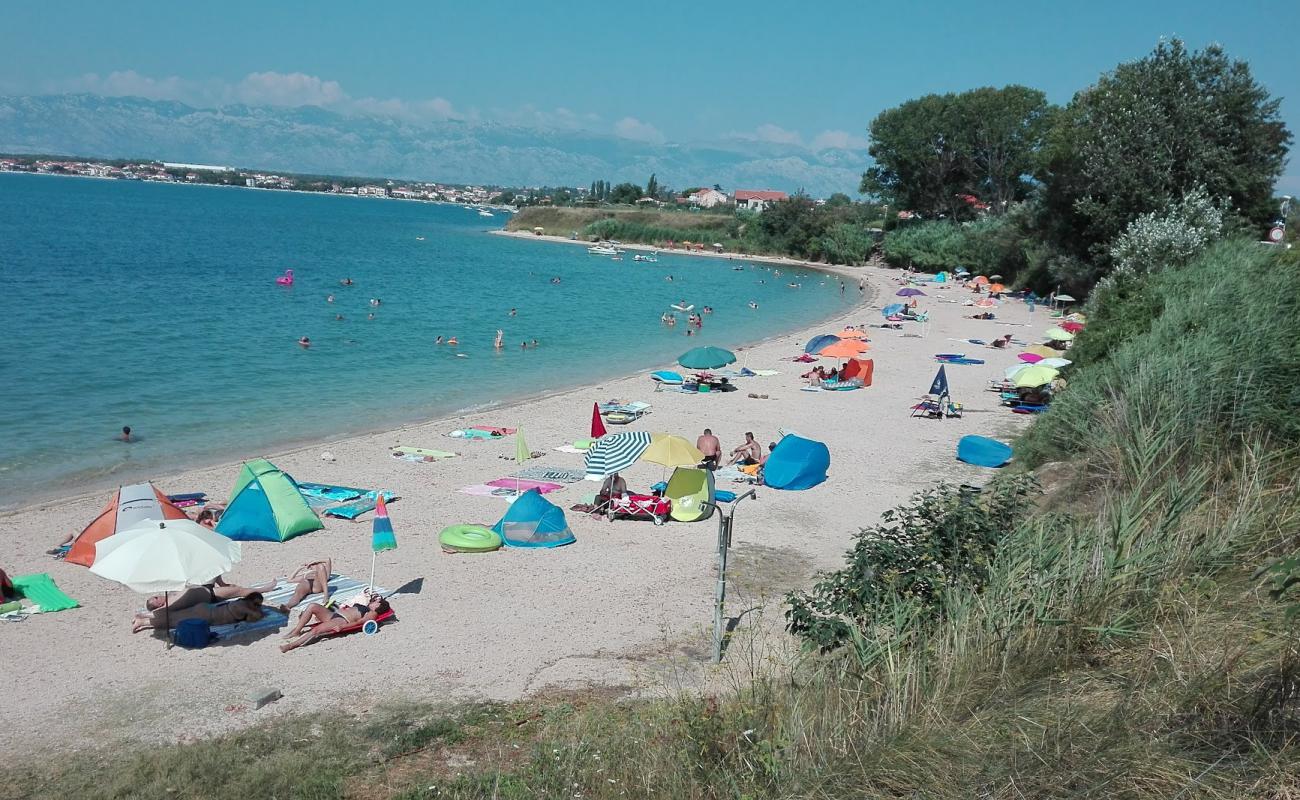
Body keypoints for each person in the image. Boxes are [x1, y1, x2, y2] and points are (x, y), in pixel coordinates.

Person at [280, 593, 391, 653]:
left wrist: (343, 626)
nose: (374, 600)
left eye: (376, 601)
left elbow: (359, 622)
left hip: (341, 620)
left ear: (378, 605)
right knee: (312, 606)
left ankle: (291, 646)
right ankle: (296, 631)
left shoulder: (372, 614)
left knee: (316, 630)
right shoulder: (366, 606)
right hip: (333, 615)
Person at [132, 592, 273, 633]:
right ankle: (144, 621)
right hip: (209, 615)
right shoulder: (245, 607)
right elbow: (257, 617)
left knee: (175, 617)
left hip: (206, 608)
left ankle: (144, 617)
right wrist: (259, 611)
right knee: (174, 621)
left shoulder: (240, 603)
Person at [145, 576, 275, 613]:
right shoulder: (168, 604)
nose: (157, 595)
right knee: (239, 590)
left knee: (214, 569)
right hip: (209, 594)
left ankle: (223, 584)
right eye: (155, 598)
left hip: (200, 587)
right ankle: (264, 589)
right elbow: (161, 612)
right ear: (158, 605)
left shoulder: (170, 596)